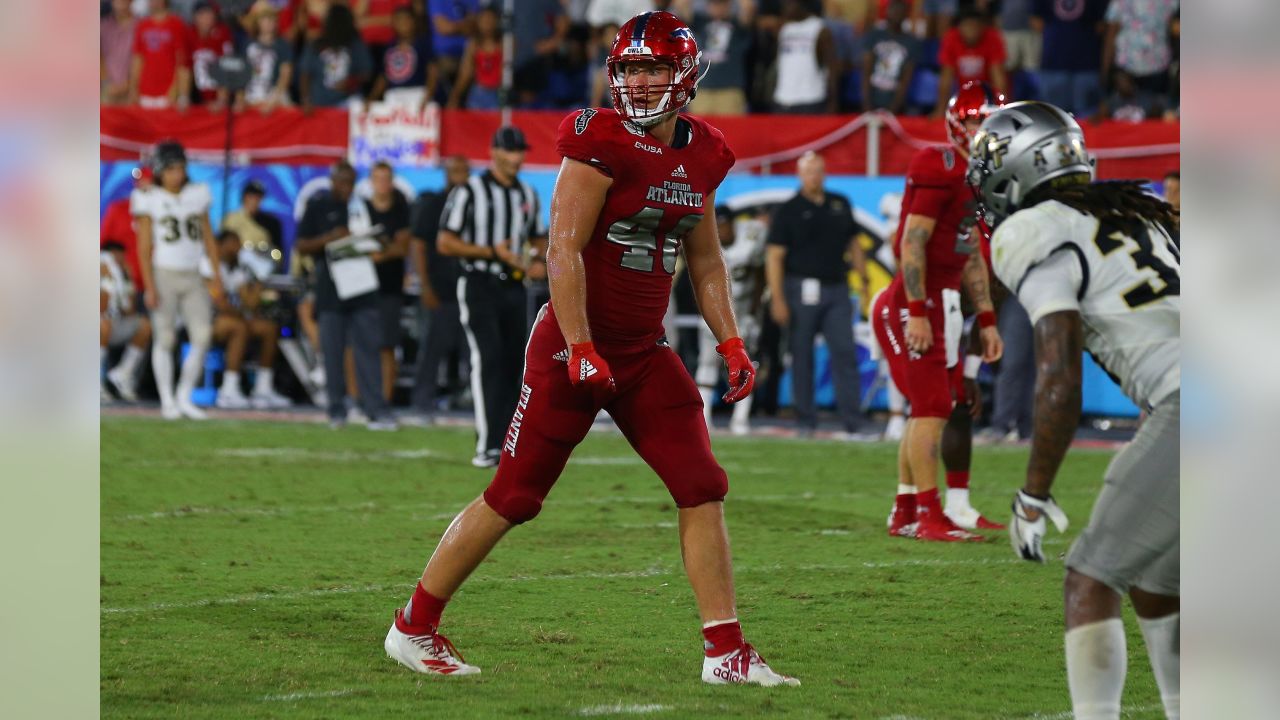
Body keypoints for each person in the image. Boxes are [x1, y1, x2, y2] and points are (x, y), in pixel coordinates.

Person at [383, 10, 798, 687]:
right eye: (629, 69)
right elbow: (562, 250)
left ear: (685, 75)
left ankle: (725, 653)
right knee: (514, 495)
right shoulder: (598, 138)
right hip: (571, 349)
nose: (637, 83)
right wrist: (579, 346)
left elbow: (707, 259)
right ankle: (413, 626)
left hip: (641, 351)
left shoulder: (706, 153)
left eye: (653, 69)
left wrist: (731, 341)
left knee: (701, 485)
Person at [968, 100, 1180, 720]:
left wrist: (1033, 494)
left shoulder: (1030, 231)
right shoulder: (1142, 212)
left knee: (1089, 577)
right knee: (1156, 582)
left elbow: (1059, 377)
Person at [872, 81, 1004, 542]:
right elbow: (913, 241)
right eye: (975, 119)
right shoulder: (940, 163)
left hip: (942, 299)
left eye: (989, 119)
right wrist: (918, 309)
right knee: (932, 408)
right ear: (956, 122)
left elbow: (969, 253)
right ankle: (928, 515)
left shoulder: (979, 175)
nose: (983, 127)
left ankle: (906, 510)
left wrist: (986, 318)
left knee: (928, 409)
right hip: (917, 300)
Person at [437, 126, 545, 468]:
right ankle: (487, 444)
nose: (516, 158)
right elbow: (445, 242)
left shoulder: (527, 193)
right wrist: (491, 252)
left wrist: (536, 261)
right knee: (489, 359)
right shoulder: (470, 190)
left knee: (515, 363)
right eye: (510, 151)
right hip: (478, 283)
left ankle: (508, 443)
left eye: (520, 152)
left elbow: (537, 239)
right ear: (495, 152)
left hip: (514, 286)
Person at [765, 151, 870, 437]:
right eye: (809, 171)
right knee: (801, 354)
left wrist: (862, 277)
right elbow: (774, 256)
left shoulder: (839, 203)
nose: (815, 177)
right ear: (800, 175)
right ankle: (805, 420)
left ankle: (853, 420)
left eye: (819, 171)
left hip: (837, 287)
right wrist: (778, 298)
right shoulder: (788, 210)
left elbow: (854, 242)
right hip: (800, 288)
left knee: (845, 352)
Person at [295, 160, 397, 430]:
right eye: (342, 181)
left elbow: (385, 241)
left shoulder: (363, 206)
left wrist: (376, 241)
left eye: (351, 182)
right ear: (332, 180)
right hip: (331, 290)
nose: (346, 187)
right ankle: (336, 409)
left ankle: (376, 409)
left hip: (363, 287)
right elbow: (302, 245)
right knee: (333, 352)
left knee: (369, 349)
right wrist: (331, 238)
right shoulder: (317, 207)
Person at [133, 140, 222, 420]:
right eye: (170, 169)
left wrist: (216, 275)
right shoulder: (149, 197)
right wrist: (149, 285)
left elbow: (208, 237)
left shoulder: (198, 193)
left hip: (193, 273)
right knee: (165, 337)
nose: (176, 174)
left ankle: (184, 395)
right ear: (160, 171)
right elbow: (144, 246)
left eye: (180, 168)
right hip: (164, 272)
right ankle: (167, 401)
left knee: (203, 334)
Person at [408, 155, 470, 423]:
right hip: (440, 289)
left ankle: (471, 400)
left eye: (463, 169)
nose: (459, 174)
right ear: (446, 173)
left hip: (470, 290)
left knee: (473, 351)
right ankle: (423, 402)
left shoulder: (474, 203)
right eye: (455, 169)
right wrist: (425, 285)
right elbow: (418, 245)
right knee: (432, 349)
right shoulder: (433, 203)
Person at [201, 230, 292, 409]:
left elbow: (249, 304)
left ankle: (263, 388)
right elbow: (218, 303)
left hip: (232, 319)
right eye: (235, 243)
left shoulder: (236, 268)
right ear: (222, 245)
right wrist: (242, 315)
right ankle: (228, 390)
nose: (239, 248)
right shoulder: (206, 264)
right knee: (240, 327)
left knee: (269, 328)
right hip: (205, 320)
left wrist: (259, 279)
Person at [696, 204, 766, 435]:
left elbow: (759, 275)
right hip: (713, 311)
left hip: (742, 313)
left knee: (744, 364)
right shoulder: (705, 241)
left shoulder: (751, 237)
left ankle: (740, 420)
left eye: (725, 225)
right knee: (706, 363)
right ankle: (704, 420)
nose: (722, 231)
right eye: (718, 226)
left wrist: (755, 313)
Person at [365, 161, 413, 403]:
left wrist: (378, 252)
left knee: (386, 345)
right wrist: (387, 247)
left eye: (386, 178)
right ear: (371, 180)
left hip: (390, 286)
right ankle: (358, 399)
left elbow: (403, 246)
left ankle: (384, 399)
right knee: (360, 345)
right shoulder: (361, 208)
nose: (382, 183)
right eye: (378, 177)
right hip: (363, 287)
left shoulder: (400, 208)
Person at [101, 241, 151, 403]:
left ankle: (122, 375)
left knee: (143, 325)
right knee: (104, 325)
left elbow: (129, 310)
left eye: (121, 255)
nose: (120, 259)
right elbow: (100, 308)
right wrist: (107, 282)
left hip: (112, 323)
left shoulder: (121, 274)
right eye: (115, 255)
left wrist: (127, 283)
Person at [933, 8, 1006, 118]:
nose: (971, 30)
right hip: (962, 95)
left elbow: (998, 79)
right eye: (967, 25)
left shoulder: (993, 38)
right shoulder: (951, 38)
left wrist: (1000, 109)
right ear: (960, 27)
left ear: (982, 27)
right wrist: (940, 110)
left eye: (975, 26)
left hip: (988, 95)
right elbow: (946, 79)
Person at [299, 3, 373, 110]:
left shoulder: (355, 44)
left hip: (347, 102)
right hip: (319, 104)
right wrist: (305, 100)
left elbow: (366, 73)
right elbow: (305, 74)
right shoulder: (316, 44)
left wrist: (350, 82)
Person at [367, 5, 438, 110]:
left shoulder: (423, 44)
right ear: (393, 24)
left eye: (406, 19)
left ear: (414, 22)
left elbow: (433, 73)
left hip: (417, 94)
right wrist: (371, 98)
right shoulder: (389, 47)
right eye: (398, 20)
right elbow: (383, 77)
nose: (403, 23)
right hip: (393, 96)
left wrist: (427, 97)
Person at [772, 0, 837, 114]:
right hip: (782, 100)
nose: (784, 7)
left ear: (802, 4)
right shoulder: (784, 28)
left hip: (810, 100)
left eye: (789, 3)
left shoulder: (820, 29)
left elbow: (832, 69)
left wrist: (832, 104)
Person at [860, 0, 921, 115]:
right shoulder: (874, 35)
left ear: (906, 14)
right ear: (887, 11)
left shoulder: (912, 42)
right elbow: (866, 72)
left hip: (895, 103)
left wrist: (893, 110)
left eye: (900, 11)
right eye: (894, 10)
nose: (896, 14)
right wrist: (867, 106)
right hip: (872, 98)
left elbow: (906, 80)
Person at [129, 0, 192, 109]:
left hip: (168, 93)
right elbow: (138, 59)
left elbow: (182, 61)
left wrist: (178, 90)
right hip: (145, 92)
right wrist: (133, 88)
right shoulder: (143, 25)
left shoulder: (176, 24)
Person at [222, 180, 284, 271]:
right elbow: (223, 247)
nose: (254, 201)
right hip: (234, 268)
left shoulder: (271, 223)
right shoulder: (231, 219)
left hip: (261, 266)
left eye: (258, 197)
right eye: (251, 197)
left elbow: (277, 253)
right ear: (244, 197)